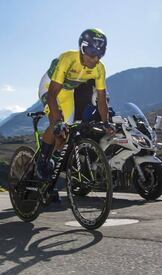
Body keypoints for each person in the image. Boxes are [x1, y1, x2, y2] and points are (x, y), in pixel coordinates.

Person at [36, 28, 114, 189]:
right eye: (91, 51)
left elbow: (101, 99)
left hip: (67, 92)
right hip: (49, 87)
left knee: (66, 132)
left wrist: (106, 122)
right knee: (58, 123)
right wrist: (56, 120)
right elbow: (51, 95)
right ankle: (42, 159)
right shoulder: (67, 59)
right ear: (82, 47)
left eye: (100, 53)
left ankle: (53, 162)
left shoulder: (100, 69)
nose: (95, 58)